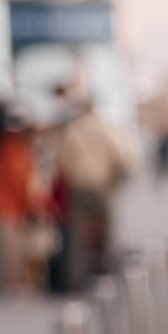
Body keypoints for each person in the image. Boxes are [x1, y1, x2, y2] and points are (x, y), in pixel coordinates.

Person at [54, 87, 135, 287]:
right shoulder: (106, 127)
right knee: (106, 229)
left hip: (79, 185)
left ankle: (75, 277)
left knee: (77, 234)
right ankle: (105, 273)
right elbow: (122, 156)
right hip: (101, 185)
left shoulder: (73, 129)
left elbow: (62, 160)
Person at [0, 106, 45, 297]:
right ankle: (11, 287)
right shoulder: (15, 150)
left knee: (10, 249)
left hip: (7, 206)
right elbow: (19, 182)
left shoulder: (12, 147)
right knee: (10, 250)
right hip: (4, 206)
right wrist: (32, 206)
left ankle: (12, 285)